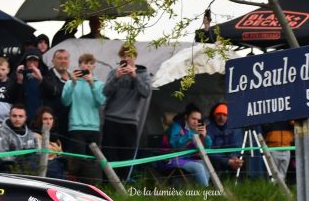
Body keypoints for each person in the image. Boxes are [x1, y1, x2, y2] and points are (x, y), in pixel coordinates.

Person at [102, 43, 151, 180]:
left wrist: (135, 76)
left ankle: (121, 188)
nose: (127, 58)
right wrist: (116, 78)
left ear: (135, 57)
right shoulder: (114, 72)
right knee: (110, 157)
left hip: (130, 122)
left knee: (126, 159)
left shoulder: (144, 74)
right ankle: (109, 186)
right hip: (111, 120)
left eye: (130, 55)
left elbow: (146, 93)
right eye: (124, 56)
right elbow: (105, 92)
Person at [61, 53, 106, 182]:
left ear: (94, 66)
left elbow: (101, 102)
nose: (88, 66)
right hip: (76, 126)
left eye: (91, 64)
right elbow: (65, 101)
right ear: (80, 65)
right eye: (85, 63)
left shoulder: (99, 84)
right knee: (78, 160)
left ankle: (93, 186)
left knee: (93, 160)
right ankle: (80, 185)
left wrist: (92, 83)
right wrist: (73, 83)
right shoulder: (70, 82)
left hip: (94, 127)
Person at [161, 104, 212, 186]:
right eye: (193, 118)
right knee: (198, 167)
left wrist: (205, 136)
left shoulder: (195, 129)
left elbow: (206, 149)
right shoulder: (176, 126)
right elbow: (175, 145)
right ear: (186, 117)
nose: (196, 122)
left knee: (205, 163)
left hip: (188, 159)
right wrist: (192, 133)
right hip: (171, 159)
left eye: (198, 120)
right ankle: (206, 194)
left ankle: (203, 191)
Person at [0, 104, 38, 173]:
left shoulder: (30, 134)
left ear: (25, 118)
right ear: (9, 116)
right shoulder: (1, 133)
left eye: (20, 116)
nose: (17, 119)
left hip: (28, 168)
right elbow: (0, 156)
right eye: (14, 116)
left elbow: (36, 152)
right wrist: (19, 160)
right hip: (7, 170)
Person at [205, 102, 244, 173]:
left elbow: (237, 146)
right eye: (218, 114)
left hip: (231, 158)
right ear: (214, 115)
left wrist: (233, 158)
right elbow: (210, 150)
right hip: (216, 159)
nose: (221, 117)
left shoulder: (235, 128)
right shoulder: (208, 129)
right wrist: (227, 161)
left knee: (241, 162)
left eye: (224, 115)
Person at [31, 107, 65, 179]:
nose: (48, 122)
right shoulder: (34, 135)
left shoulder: (56, 139)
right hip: (43, 174)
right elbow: (40, 154)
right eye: (45, 119)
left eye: (51, 119)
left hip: (58, 173)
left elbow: (60, 155)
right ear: (39, 120)